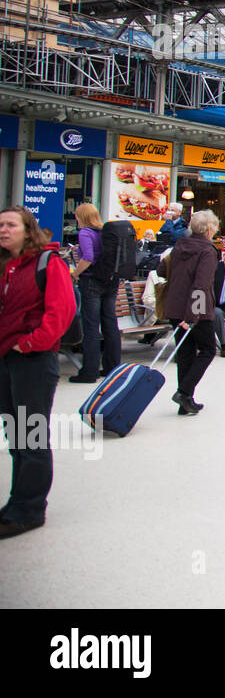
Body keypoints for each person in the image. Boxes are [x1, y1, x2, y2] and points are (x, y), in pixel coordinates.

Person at [0, 206, 76, 538]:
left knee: (30, 436)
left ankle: (29, 510)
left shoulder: (48, 263)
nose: (3, 229)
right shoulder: (7, 266)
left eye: (10, 224)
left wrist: (29, 343)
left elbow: (62, 312)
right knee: (16, 435)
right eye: (0, 224)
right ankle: (17, 502)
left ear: (27, 229)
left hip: (33, 359)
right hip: (7, 359)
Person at [162, 209, 221, 416]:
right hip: (197, 310)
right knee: (208, 350)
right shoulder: (207, 250)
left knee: (185, 353)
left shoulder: (180, 245)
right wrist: (193, 316)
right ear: (210, 228)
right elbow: (201, 285)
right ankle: (184, 393)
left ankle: (185, 402)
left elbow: (162, 269)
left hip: (175, 306)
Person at [69, 203, 121, 385]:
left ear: (82, 216)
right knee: (110, 324)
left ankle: (89, 371)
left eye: (77, 215)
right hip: (110, 281)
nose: (75, 218)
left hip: (91, 281)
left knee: (91, 326)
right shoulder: (103, 232)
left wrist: (75, 273)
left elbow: (88, 257)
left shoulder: (85, 233)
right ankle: (112, 368)